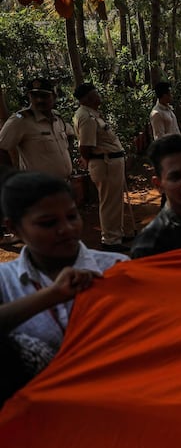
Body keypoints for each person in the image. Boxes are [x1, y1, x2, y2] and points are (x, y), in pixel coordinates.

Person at [0, 172, 127, 402]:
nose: (66, 228)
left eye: (72, 216)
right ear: (14, 228)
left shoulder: (116, 267)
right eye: (48, 223)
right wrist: (52, 295)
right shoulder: (4, 281)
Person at [72, 83, 131, 252]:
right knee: (108, 202)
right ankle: (110, 240)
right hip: (104, 163)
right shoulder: (86, 117)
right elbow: (85, 147)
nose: (99, 96)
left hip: (110, 162)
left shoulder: (92, 114)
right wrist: (91, 161)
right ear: (87, 97)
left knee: (114, 201)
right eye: (95, 93)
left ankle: (115, 234)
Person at [0, 78, 73, 180]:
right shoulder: (20, 119)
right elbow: (2, 149)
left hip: (63, 184)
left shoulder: (57, 117)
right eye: (35, 96)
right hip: (38, 187)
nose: (39, 100)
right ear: (29, 97)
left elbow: (69, 134)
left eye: (44, 96)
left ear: (54, 96)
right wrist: (11, 177)